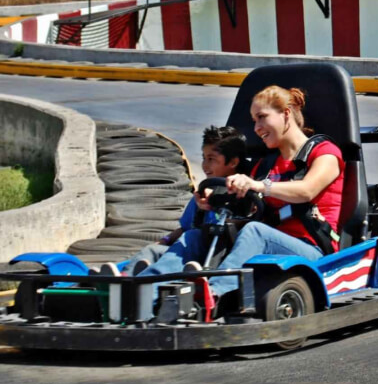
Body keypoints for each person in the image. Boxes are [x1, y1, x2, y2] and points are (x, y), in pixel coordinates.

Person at [135, 85, 345, 300]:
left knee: (256, 231)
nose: (256, 127)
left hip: (311, 248)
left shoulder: (324, 152)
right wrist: (211, 204)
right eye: (254, 120)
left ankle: (213, 293)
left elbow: (307, 191)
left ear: (286, 114)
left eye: (262, 117)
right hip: (266, 243)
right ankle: (142, 290)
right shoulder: (264, 166)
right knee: (197, 236)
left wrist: (260, 186)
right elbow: (246, 213)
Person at [118, 125, 248, 273]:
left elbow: (244, 228)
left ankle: (147, 281)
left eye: (211, 159)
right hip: (187, 253)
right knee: (152, 250)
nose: (205, 165)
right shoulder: (202, 194)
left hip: (215, 258)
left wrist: (216, 207)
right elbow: (184, 228)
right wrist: (164, 240)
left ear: (233, 163)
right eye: (204, 158)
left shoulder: (242, 195)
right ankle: (122, 278)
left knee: (192, 236)